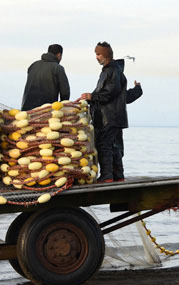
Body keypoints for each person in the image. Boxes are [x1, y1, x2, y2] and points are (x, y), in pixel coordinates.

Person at [79, 42, 142, 182]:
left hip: (109, 117)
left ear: (106, 55)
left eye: (98, 54)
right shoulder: (111, 71)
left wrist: (92, 97)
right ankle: (118, 176)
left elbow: (109, 93)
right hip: (112, 116)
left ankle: (107, 176)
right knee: (114, 146)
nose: (96, 57)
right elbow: (121, 95)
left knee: (104, 145)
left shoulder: (112, 71)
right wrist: (89, 98)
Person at [21, 44, 70, 111]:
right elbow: (65, 93)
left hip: (27, 110)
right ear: (59, 55)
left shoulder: (33, 65)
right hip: (46, 111)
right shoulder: (58, 68)